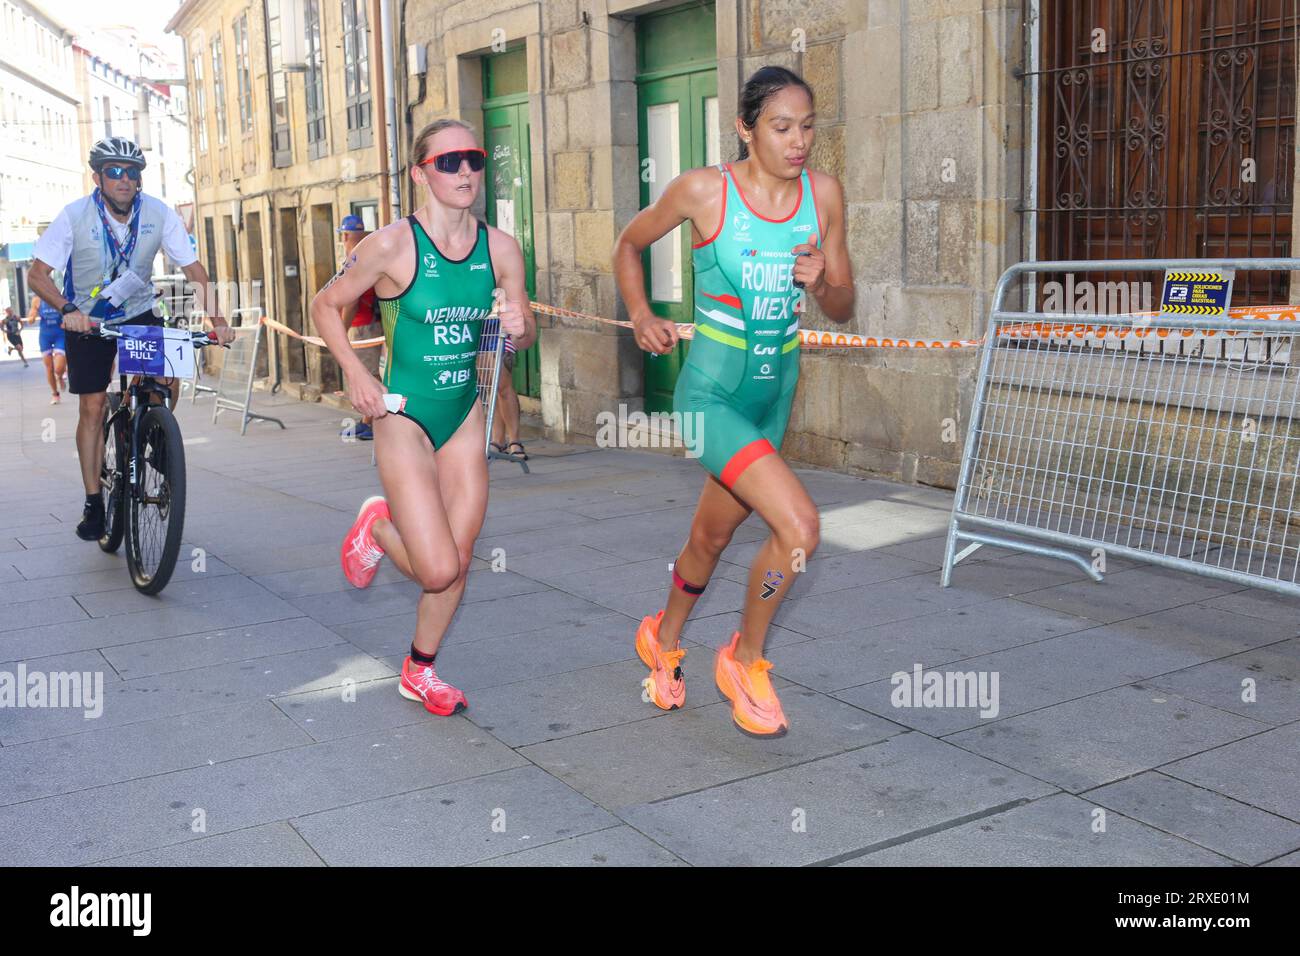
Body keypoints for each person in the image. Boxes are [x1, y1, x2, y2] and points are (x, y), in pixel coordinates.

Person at [613, 67, 856, 738]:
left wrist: (823, 280)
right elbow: (629, 244)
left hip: (773, 396)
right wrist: (639, 313)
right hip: (710, 395)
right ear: (746, 128)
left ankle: (660, 639)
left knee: (712, 536)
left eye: (808, 126)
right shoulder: (704, 191)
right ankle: (744, 658)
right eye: (781, 127)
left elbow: (843, 302)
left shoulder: (824, 196)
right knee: (800, 529)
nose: (798, 140)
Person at [312, 119, 535, 716]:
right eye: (448, 162)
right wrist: (357, 377)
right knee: (436, 568)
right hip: (403, 415)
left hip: (464, 414)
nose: (465, 172)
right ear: (420, 173)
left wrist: (518, 327)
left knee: (456, 566)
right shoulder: (390, 245)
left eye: (474, 160)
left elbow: (524, 328)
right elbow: (324, 304)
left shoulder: (502, 248)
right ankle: (378, 526)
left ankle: (420, 670)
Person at [27, 136, 235, 541]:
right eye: (114, 172)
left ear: (140, 179)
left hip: (139, 310)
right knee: (91, 406)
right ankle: (93, 502)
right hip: (88, 319)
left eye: (132, 173)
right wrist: (69, 312)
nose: (124, 179)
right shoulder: (73, 216)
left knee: (166, 380)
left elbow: (193, 269)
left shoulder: (157, 213)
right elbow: (38, 275)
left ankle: (151, 432)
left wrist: (219, 321)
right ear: (98, 177)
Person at [337, 214, 381, 441]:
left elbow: (352, 301)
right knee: (370, 373)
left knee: (368, 374)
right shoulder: (368, 255)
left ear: (345, 236)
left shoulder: (354, 259)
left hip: (362, 327)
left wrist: (340, 331)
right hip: (370, 324)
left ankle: (369, 423)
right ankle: (367, 420)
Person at [483, 316, 525, 458]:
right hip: (477, 321)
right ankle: (497, 439)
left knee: (503, 385)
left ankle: (514, 440)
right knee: (489, 385)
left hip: (499, 322)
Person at [29, 295, 68, 403]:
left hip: (59, 335)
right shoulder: (37, 300)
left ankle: (59, 376)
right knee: (49, 367)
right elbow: (31, 316)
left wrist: (66, 321)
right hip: (45, 336)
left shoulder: (59, 297)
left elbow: (68, 312)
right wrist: (32, 317)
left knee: (58, 368)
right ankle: (55, 394)